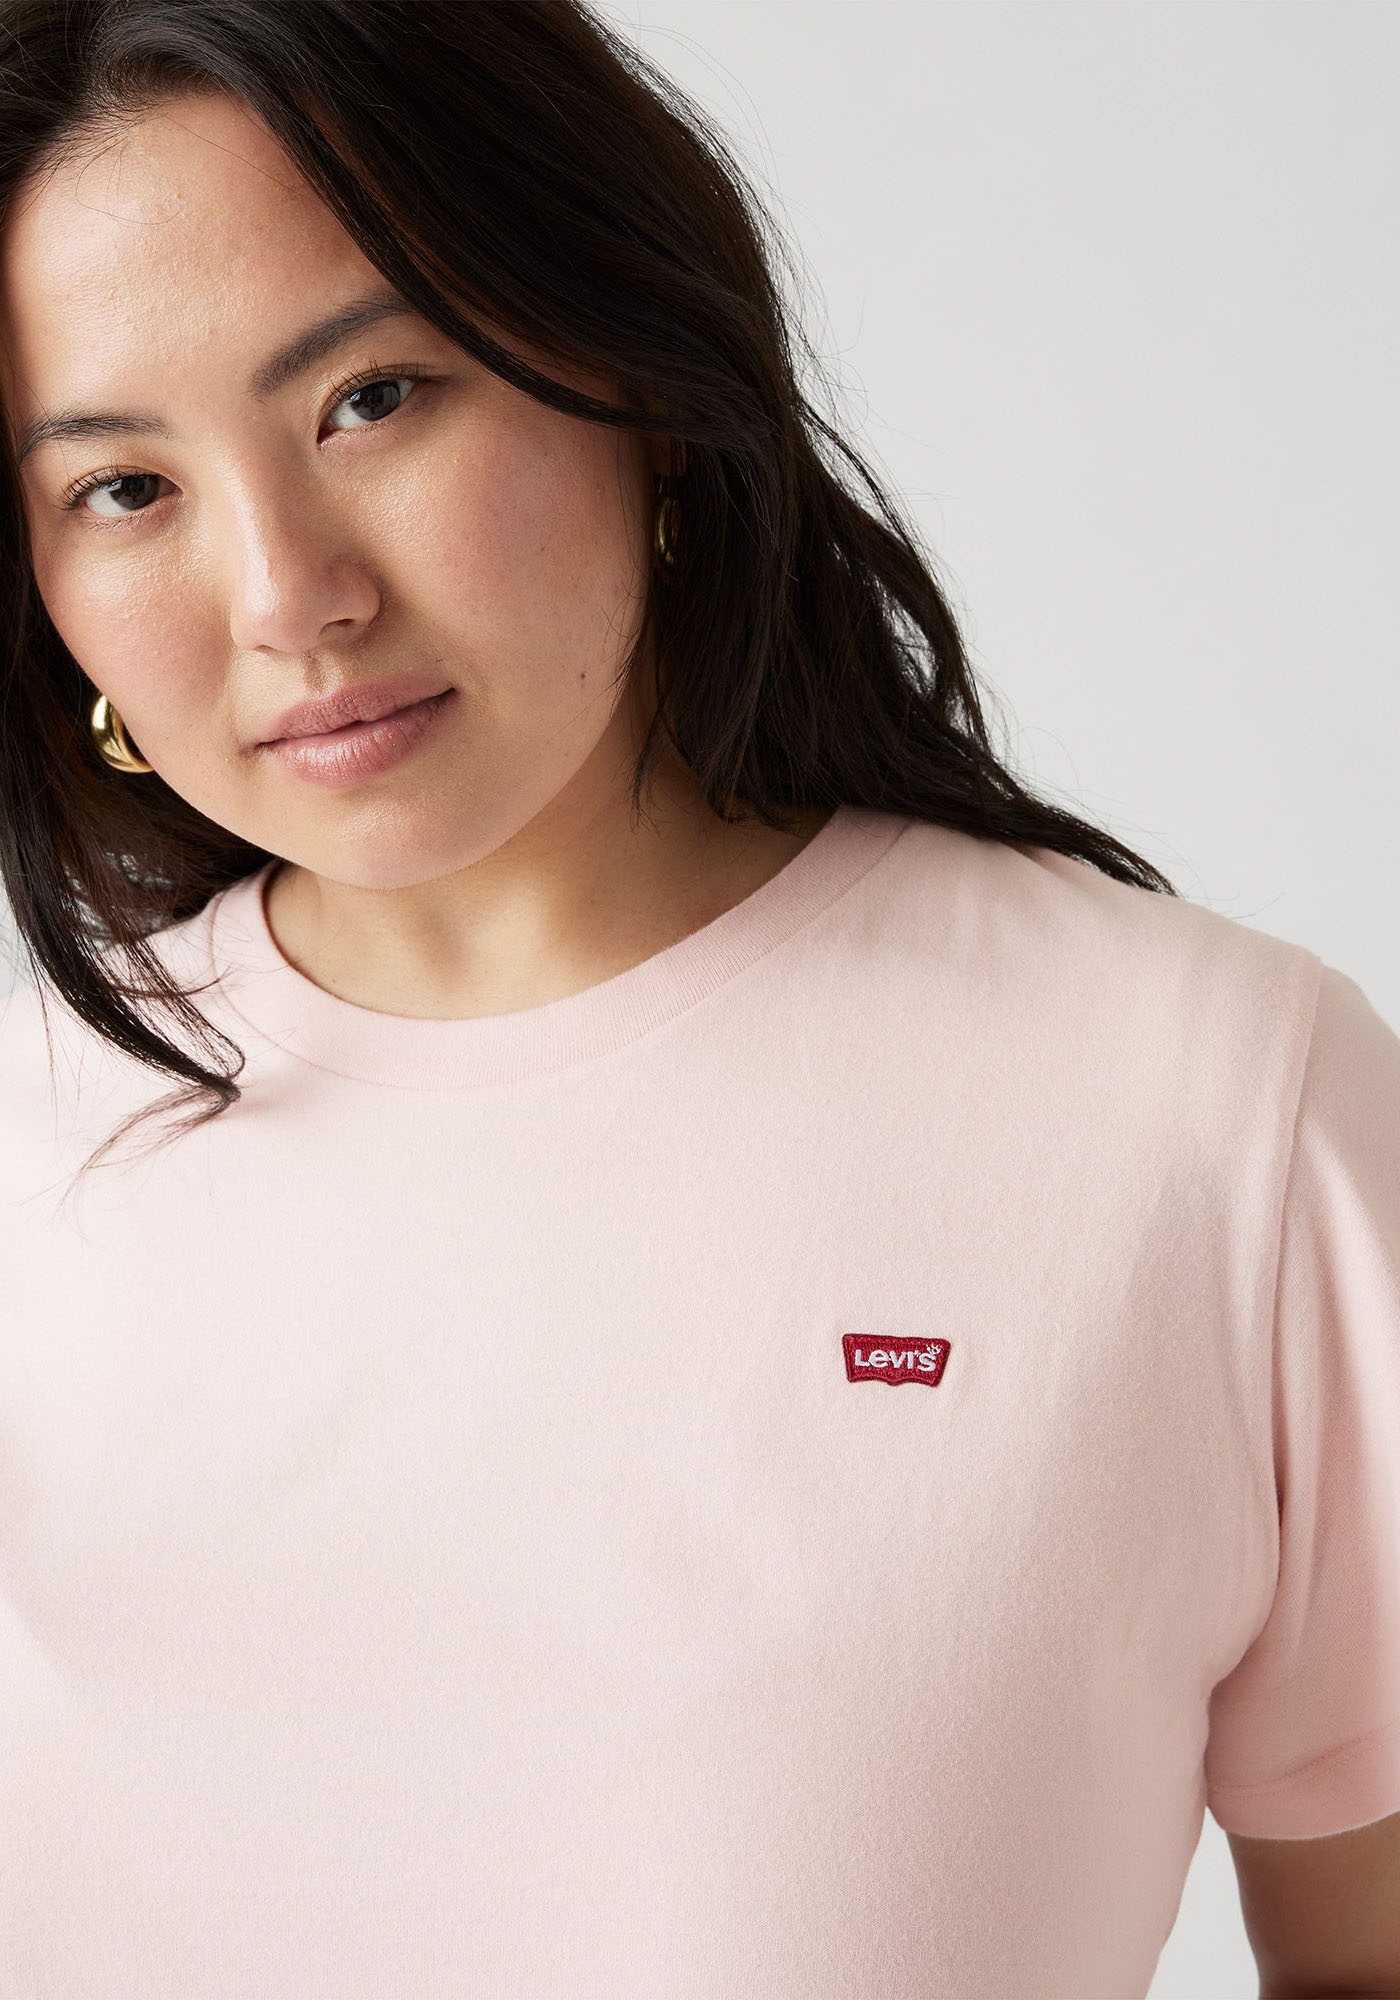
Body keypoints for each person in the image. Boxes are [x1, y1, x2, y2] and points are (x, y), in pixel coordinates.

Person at [0, 5, 1396, 1996]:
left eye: (374, 397)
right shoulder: (29, 1141)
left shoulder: (1210, 1111)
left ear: (637, 374)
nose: (287, 595)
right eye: (124, 488)